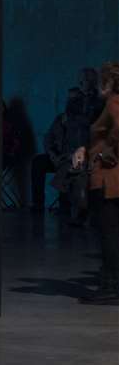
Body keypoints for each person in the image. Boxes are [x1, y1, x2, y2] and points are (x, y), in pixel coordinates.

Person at [74, 62, 119, 305]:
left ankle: (112, 285)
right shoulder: (109, 104)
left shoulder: (113, 103)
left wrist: (104, 155)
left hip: (109, 178)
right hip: (108, 177)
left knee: (108, 232)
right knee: (109, 232)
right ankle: (109, 281)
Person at [35, 89, 91, 221]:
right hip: (56, 155)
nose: (70, 102)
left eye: (74, 100)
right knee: (38, 162)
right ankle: (37, 203)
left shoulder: (84, 120)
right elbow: (48, 138)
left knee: (68, 167)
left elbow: (81, 143)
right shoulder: (60, 118)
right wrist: (51, 153)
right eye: (69, 99)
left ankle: (66, 207)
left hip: (72, 157)